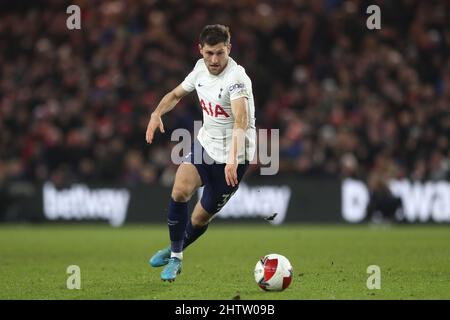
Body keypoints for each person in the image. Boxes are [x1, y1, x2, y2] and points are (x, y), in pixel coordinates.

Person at [145, 24, 256, 282]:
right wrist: (156, 113)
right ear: (200, 50)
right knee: (180, 189)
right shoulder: (199, 69)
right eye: (209, 53)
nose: (214, 60)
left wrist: (231, 160)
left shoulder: (236, 78)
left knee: (199, 218)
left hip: (235, 158)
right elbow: (175, 95)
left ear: (229, 49)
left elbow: (240, 120)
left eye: (220, 53)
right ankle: (176, 257)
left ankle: (175, 248)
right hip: (205, 147)